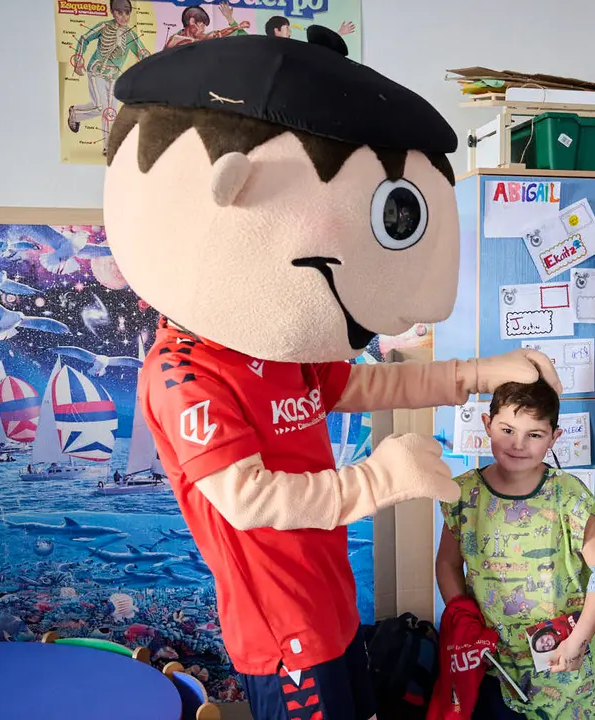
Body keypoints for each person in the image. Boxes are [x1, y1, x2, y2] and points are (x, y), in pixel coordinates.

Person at [103, 32, 560, 720]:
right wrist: (380, 479)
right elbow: (247, 499)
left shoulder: (279, 348)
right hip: (283, 632)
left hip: (331, 604)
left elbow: (364, 386)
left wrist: (475, 372)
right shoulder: (185, 368)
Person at [436, 380, 595, 720]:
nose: (518, 444)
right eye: (507, 430)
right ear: (487, 424)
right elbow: (447, 563)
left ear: (554, 438)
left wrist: (577, 640)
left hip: (562, 667)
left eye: (534, 434)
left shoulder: (568, 495)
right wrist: (464, 617)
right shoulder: (462, 495)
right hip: (491, 663)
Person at [66, 0, 150, 152]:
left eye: (127, 13)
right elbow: (84, 39)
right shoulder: (104, 26)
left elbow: (141, 51)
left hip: (113, 77)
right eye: (119, 13)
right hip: (96, 71)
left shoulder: (130, 35)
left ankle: (108, 147)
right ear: (112, 12)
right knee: (100, 107)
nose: (124, 17)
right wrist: (78, 58)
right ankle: (75, 114)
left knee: (109, 111)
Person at [164, 4, 250, 49]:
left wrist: (238, 26)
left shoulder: (202, 37)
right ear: (192, 21)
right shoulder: (175, 39)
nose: (203, 29)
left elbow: (219, 33)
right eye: (202, 26)